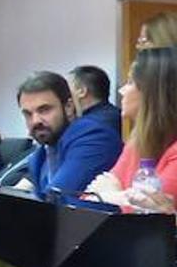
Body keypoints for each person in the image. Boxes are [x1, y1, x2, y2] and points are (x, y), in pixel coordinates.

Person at [87, 46, 177, 209]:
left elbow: (152, 216)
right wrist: (117, 196)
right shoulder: (137, 141)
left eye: (130, 82)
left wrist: (114, 196)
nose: (121, 91)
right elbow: (90, 198)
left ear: (152, 93)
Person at [15, 71, 120, 197]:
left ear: (69, 107)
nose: (35, 121)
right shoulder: (40, 155)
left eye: (44, 110)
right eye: (28, 114)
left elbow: (57, 199)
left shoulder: (94, 136)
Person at [68, 65, 122, 132]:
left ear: (82, 91)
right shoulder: (117, 115)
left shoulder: (87, 125)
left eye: (67, 88)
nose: (65, 94)